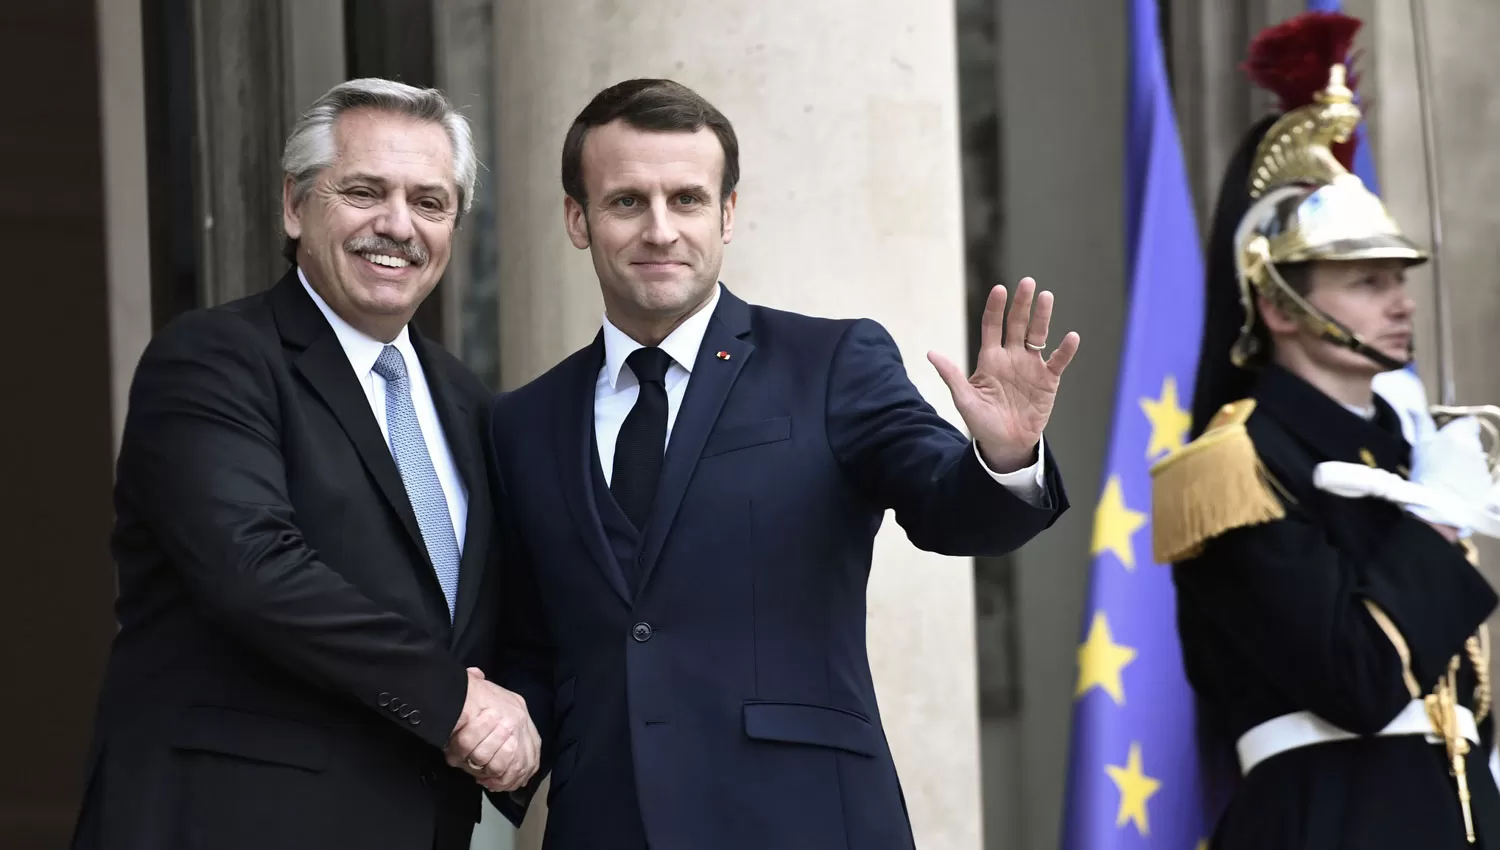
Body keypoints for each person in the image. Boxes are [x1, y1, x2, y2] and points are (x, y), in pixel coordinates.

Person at [485, 78, 1077, 850]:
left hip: (805, 820)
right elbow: (535, 646)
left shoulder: (831, 361)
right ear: (578, 218)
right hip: (607, 825)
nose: (660, 230)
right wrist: (492, 754)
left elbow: (945, 504)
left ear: (728, 213)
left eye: (688, 200)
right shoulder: (522, 422)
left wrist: (1003, 454)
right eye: (628, 201)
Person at [70, 78, 538, 850]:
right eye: (363, 191)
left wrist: (526, 731)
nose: (397, 225)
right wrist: (455, 701)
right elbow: (253, 568)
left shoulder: (470, 405)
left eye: (430, 202)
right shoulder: (215, 360)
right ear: (295, 204)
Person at [1151, 12, 1500, 849]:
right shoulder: (1232, 468)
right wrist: (1438, 519)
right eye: (1366, 281)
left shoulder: (1406, 447)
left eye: (1399, 277)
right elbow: (1359, 679)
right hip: (1326, 822)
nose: (1401, 301)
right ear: (1276, 305)